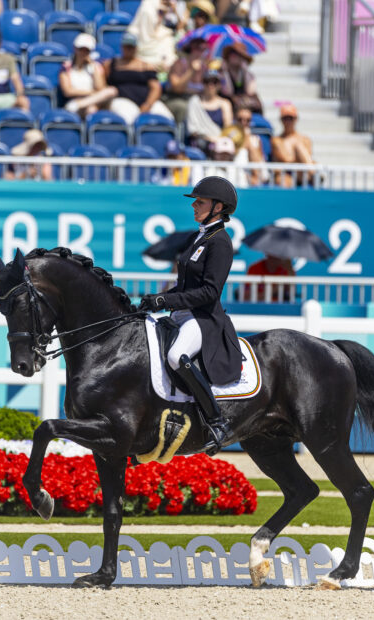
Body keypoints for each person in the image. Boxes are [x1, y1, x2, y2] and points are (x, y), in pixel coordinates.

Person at [138, 176, 242, 455]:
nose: (194, 206)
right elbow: (185, 287)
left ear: (218, 207)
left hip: (203, 319)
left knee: (176, 356)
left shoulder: (219, 242)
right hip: (182, 313)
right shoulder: (200, 236)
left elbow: (209, 292)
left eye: (200, 202)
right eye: (195, 201)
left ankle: (217, 422)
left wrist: (165, 300)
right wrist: (157, 300)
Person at [105, 32, 173, 124]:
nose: (129, 49)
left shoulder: (146, 66)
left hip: (147, 101)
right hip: (122, 100)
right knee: (129, 119)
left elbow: (156, 88)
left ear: (136, 48)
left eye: (131, 47)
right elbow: (104, 84)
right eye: (126, 46)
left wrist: (148, 104)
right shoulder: (110, 64)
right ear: (122, 47)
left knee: (167, 118)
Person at [59, 33, 115, 118]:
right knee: (91, 109)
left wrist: (92, 66)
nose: (83, 53)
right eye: (81, 49)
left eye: (87, 50)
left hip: (92, 102)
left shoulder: (95, 66)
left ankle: (78, 105)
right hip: (76, 99)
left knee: (111, 91)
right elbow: (67, 91)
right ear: (75, 49)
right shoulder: (66, 67)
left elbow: (100, 87)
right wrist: (92, 93)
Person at [127, 0, 184, 73]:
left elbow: (171, 63)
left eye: (163, 12)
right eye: (159, 12)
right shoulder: (130, 38)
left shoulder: (166, 36)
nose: (161, 16)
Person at [163, 34, 208, 126]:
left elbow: (208, 90)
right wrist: (191, 71)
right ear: (191, 49)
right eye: (198, 48)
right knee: (184, 108)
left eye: (204, 49)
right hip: (176, 99)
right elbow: (177, 88)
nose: (201, 52)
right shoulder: (179, 64)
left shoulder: (205, 68)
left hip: (197, 100)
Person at [186, 67, 231, 152]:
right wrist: (210, 139)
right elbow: (193, 131)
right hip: (201, 143)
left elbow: (228, 128)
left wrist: (219, 140)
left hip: (221, 143)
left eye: (214, 82)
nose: (211, 85)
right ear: (203, 84)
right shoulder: (194, 101)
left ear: (219, 85)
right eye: (207, 82)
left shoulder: (225, 104)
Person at [271, 103, 315, 186]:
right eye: (285, 118)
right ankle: (313, 174)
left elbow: (307, 157)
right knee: (282, 181)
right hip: (285, 173)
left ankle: (313, 174)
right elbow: (286, 158)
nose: (288, 121)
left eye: (290, 118)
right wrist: (299, 158)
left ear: (296, 119)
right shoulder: (276, 140)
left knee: (299, 146)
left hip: (302, 173)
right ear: (281, 120)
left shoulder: (305, 139)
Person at [218, 41, 261, 114]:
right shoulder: (222, 73)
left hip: (244, 104)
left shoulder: (247, 74)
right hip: (229, 104)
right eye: (232, 54)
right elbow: (228, 92)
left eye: (238, 54)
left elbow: (250, 92)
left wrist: (245, 70)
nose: (234, 56)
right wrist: (225, 72)